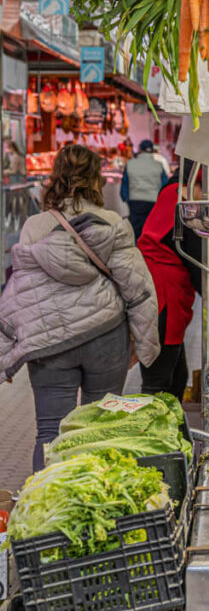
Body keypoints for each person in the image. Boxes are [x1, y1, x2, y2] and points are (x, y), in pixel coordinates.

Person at [0, 145, 160, 470]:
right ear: (96, 179)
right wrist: (144, 346)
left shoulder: (35, 226)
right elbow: (138, 289)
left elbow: (19, 292)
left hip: (49, 344)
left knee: (50, 431)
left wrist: (9, 349)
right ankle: (95, 506)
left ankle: (46, 510)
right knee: (99, 428)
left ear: (54, 178)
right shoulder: (112, 223)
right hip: (105, 336)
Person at [137, 160, 203, 401]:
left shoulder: (171, 192)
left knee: (176, 376)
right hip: (163, 300)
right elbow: (197, 262)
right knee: (158, 383)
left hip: (158, 296)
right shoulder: (183, 207)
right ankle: (150, 435)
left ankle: (170, 433)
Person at [121, 139, 168, 240]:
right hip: (153, 202)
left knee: (135, 232)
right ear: (152, 151)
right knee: (149, 231)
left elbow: (125, 184)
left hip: (135, 202)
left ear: (140, 150)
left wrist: (126, 199)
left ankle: (136, 252)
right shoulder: (159, 165)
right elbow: (164, 185)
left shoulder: (130, 164)